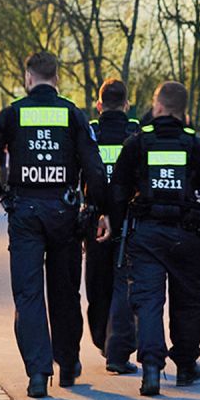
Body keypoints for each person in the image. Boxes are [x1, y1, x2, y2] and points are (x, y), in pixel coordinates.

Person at [0, 52, 111, 398]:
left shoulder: (12, 114)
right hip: (65, 215)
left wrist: (2, 194)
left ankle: (38, 373)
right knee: (65, 291)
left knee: (29, 293)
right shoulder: (72, 115)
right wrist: (101, 209)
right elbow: (94, 170)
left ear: (28, 77)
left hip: (25, 214)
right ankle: (67, 363)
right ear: (57, 78)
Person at [110, 81, 200, 397]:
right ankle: (184, 366)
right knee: (188, 301)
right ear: (183, 111)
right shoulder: (195, 146)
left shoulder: (137, 143)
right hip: (186, 234)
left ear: (157, 107)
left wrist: (116, 229)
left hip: (146, 233)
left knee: (148, 300)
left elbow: (117, 191)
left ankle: (152, 368)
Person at [86, 79, 141, 374]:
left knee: (97, 281)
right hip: (127, 219)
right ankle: (117, 346)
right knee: (124, 283)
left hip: (95, 219)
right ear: (127, 104)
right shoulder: (135, 133)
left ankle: (102, 339)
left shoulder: (90, 133)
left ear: (98, 105)